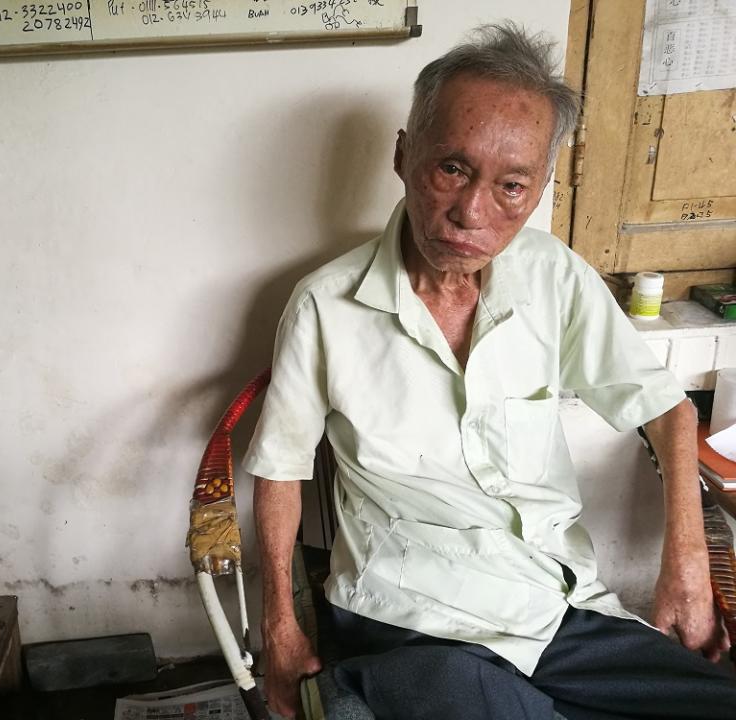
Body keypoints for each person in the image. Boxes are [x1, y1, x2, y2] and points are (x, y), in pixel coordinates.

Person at [242, 23, 736, 720]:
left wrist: (683, 563)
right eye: (451, 168)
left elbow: (666, 408)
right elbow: (281, 470)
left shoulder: (552, 275)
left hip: (555, 609)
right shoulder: (326, 304)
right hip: (411, 616)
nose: (471, 213)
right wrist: (281, 628)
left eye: (511, 186)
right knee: (476, 702)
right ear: (404, 155)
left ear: (538, 190)